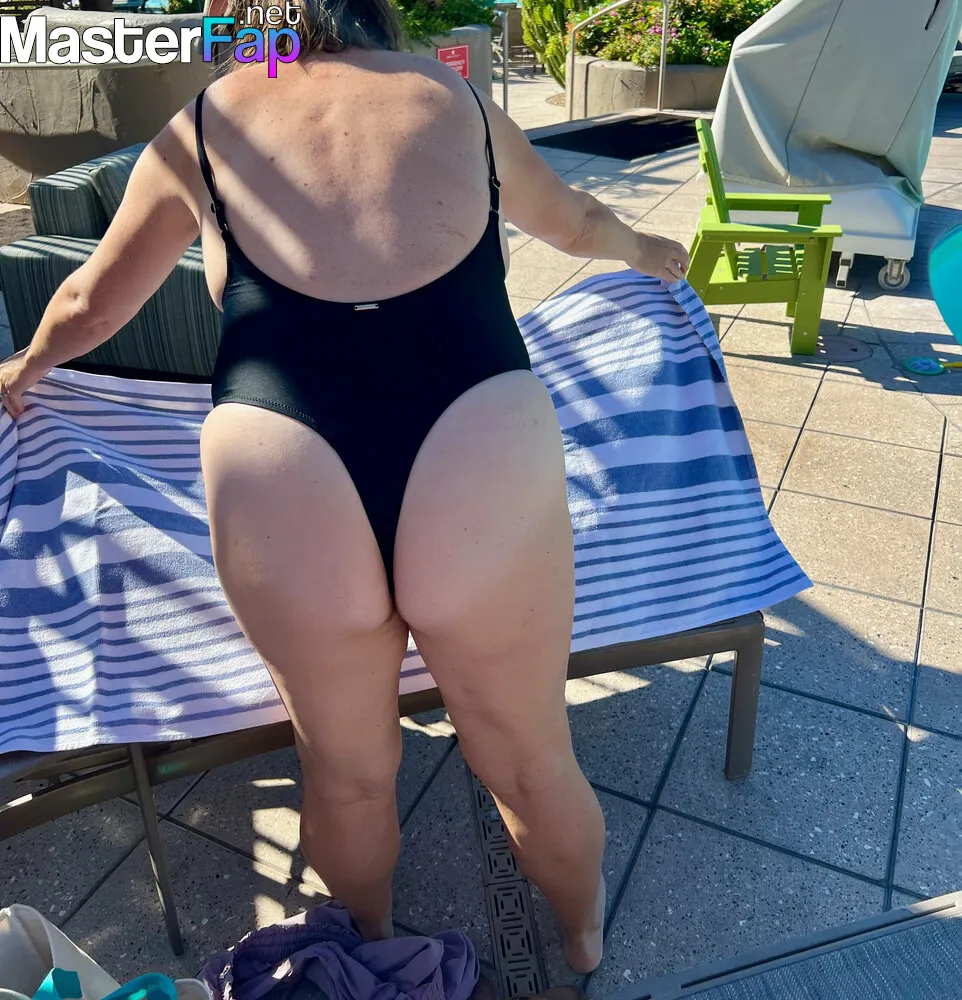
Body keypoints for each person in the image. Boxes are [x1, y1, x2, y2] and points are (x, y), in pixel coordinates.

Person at [0, 0, 689, 974]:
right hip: (476, 428)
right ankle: (580, 945)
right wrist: (649, 252)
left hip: (278, 448)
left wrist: (25, 365)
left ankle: (369, 958)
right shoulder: (454, 98)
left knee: (347, 773)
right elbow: (574, 222)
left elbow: (91, 301)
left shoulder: (202, 124)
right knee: (531, 761)